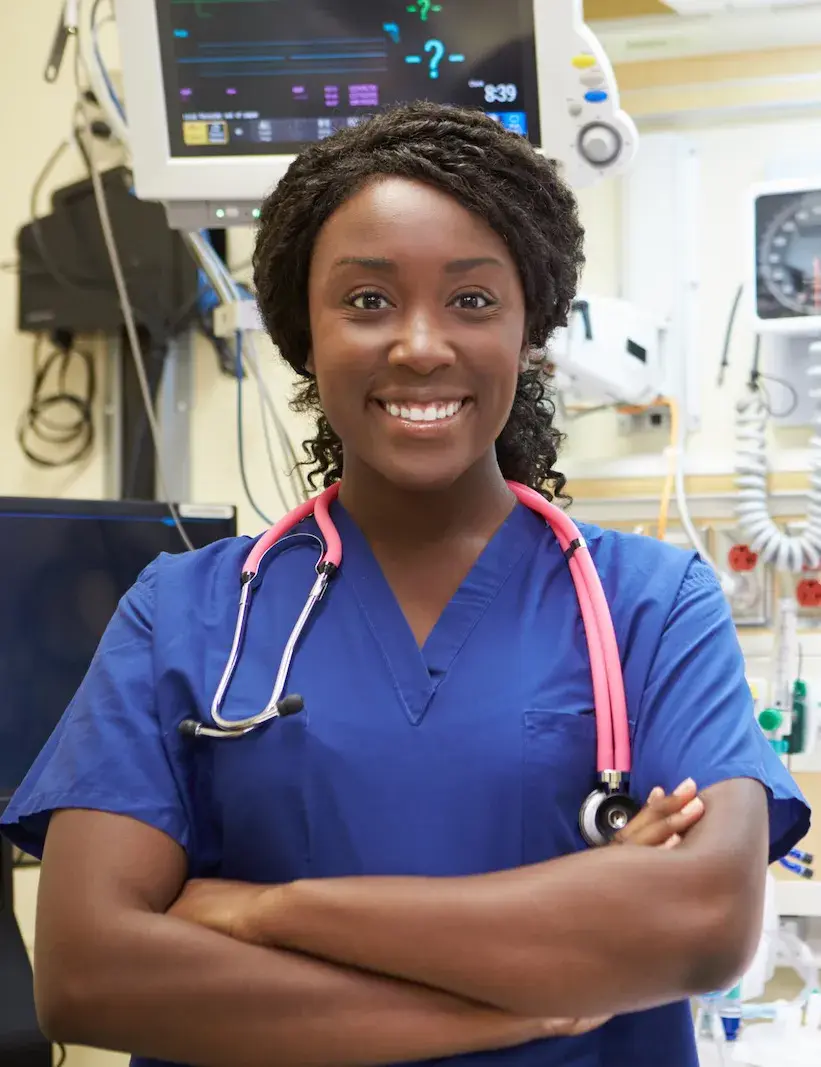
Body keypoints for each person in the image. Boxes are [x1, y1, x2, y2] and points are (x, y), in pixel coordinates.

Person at [0, 101, 810, 1067]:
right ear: (304, 328)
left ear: (529, 326)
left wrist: (266, 908)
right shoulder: (185, 612)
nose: (420, 344)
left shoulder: (648, 604)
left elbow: (704, 922)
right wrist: (520, 1002)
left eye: (471, 300)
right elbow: (90, 974)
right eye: (368, 301)